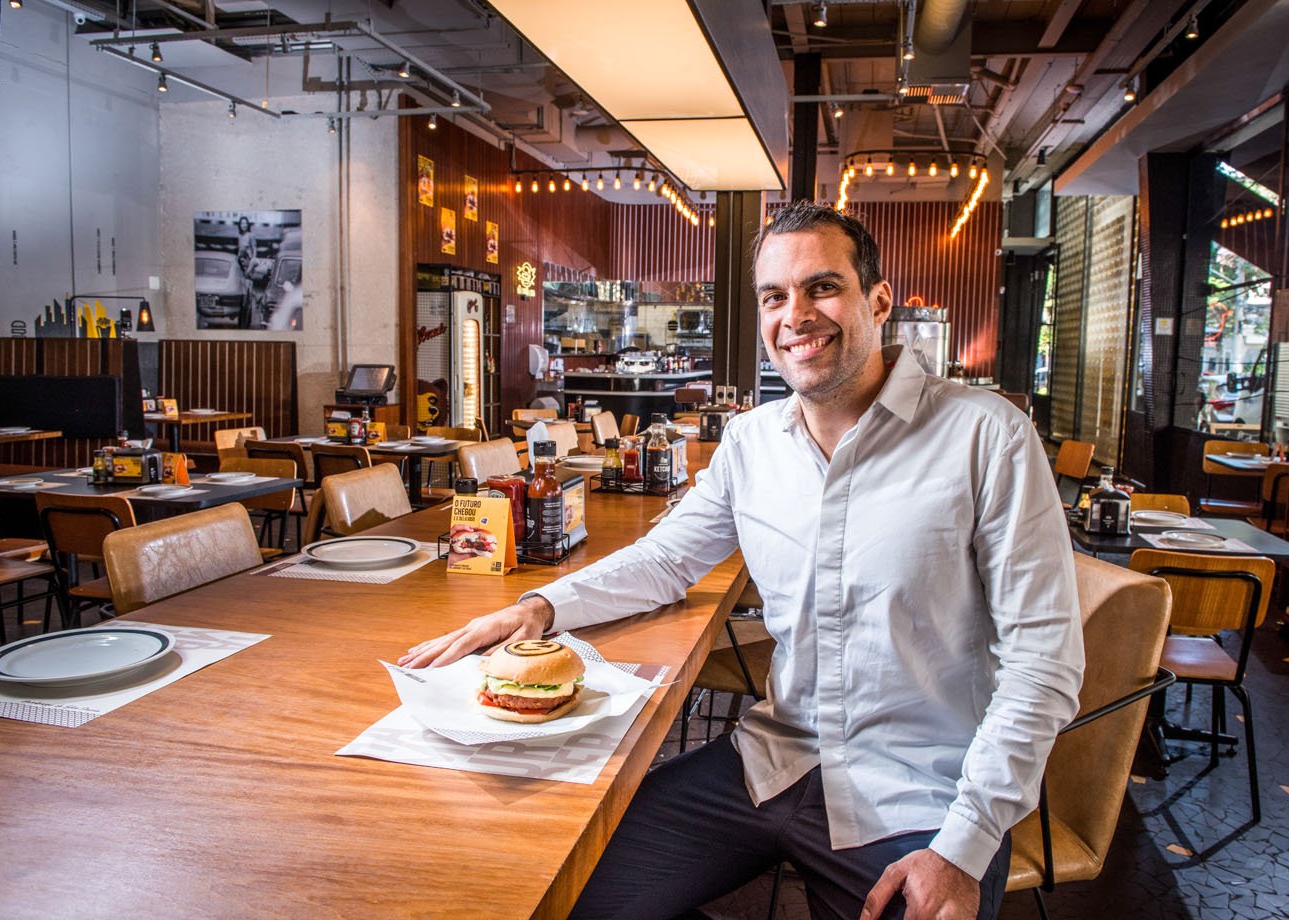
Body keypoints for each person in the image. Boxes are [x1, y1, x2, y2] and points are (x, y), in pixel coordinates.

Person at [401, 201, 1084, 920]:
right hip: (772, 760)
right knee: (558, 891)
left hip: (923, 798)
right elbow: (666, 559)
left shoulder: (985, 436)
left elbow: (1043, 662)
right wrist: (537, 608)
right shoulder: (752, 441)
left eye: (822, 287)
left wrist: (963, 845)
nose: (796, 315)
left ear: (877, 301)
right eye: (774, 296)